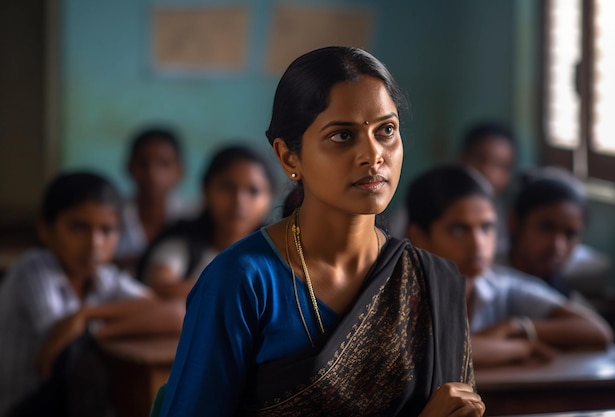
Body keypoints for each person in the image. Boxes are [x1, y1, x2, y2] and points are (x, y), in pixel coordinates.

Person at [156, 46, 484, 417]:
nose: (374, 155)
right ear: (289, 157)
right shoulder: (242, 280)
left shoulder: (427, 281)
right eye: (343, 136)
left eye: (386, 130)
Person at [0, 171, 184, 417]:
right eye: (78, 227)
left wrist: (88, 321)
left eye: (107, 230)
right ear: (45, 230)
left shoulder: (104, 276)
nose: (95, 243)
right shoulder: (33, 268)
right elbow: (63, 338)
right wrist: (81, 324)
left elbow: (175, 312)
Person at [405, 165, 613, 368]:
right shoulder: (397, 294)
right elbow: (429, 354)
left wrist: (517, 327)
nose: (478, 244)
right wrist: (521, 349)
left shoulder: (503, 286)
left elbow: (598, 332)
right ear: (418, 236)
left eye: (487, 227)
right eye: (459, 230)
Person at [137, 144, 276, 299]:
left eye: (253, 191)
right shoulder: (183, 246)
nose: (239, 201)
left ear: (269, 199)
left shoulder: (277, 257)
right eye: (227, 187)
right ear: (206, 189)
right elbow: (161, 287)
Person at [507, 167, 610, 300]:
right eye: (546, 228)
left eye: (570, 234)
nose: (557, 246)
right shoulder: (484, 290)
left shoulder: (569, 303)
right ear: (515, 223)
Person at [114, 126, 196, 270]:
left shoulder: (193, 217)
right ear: (129, 167)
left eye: (164, 164)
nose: (153, 173)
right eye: (143, 163)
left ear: (180, 171)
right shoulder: (112, 215)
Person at [458, 121, 516, 257]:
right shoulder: (430, 201)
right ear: (462, 158)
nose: (487, 171)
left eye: (501, 165)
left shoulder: (509, 213)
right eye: (480, 159)